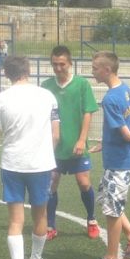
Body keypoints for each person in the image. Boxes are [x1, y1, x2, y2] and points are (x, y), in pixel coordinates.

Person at [0, 56, 60, 259]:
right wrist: (47, 156)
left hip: (12, 165)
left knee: (16, 221)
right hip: (40, 166)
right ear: (29, 70)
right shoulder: (47, 96)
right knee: (40, 216)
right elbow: (56, 135)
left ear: (5, 73)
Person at [83, 51, 130, 259]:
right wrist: (106, 142)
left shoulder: (110, 99)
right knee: (107, 200)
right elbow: (125, 125)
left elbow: (126, 133)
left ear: (107, 70)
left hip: (120, 162)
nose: (92, 72)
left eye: (95, 68)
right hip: (119, 160)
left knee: (112, 211)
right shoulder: (126, 89)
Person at [41, 46, 100, 240]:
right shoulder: (46, 86)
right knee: (51, 183)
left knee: (84, 183)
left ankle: (91, 220)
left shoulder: (82, 84)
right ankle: (50, 225)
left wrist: (82, 139)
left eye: (62, 64)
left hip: (77, 146)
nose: (58, 68)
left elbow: (88, 112)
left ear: (70, 63)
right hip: (53, 147)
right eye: (54, 64)